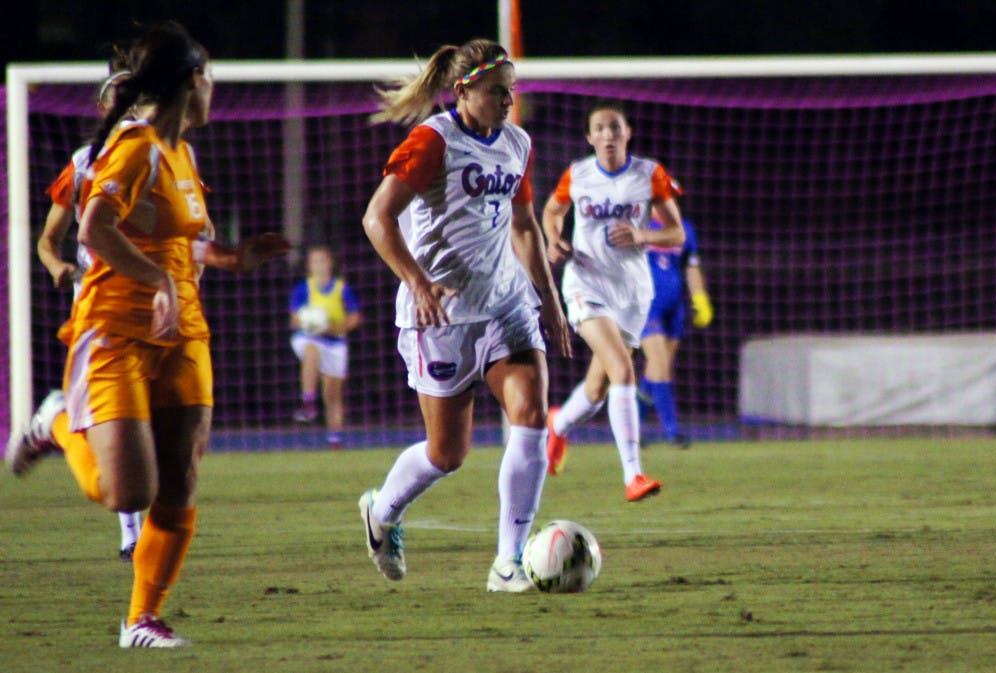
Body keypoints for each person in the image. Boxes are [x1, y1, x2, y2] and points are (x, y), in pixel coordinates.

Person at [5, 22, 290, 648]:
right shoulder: (135, 147)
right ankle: (53, 423)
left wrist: (235, 258)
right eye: (210, 77)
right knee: (125, 492)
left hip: (183, 330)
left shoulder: (183, 151)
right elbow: (93, 231)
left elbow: (188, 243)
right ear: (192, 80)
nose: (215, 89)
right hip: (115, 329)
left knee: (181, 475)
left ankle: (140, 619)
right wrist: (157, 279)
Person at [359, 38, 571, 593]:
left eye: (512, 92)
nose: (508, 101)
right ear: (464, 90)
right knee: (447, 454)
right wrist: (416, 281)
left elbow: (524, 226)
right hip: (443, 316)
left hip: (507, 305)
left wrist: (550, 301)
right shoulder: (433, 140)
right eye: (498, 92)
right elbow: (377, 219)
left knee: (530, 413)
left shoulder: (516, 143)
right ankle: (382, 511)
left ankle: (509, 562)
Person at [541, 99, 686, 502]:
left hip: (632, 292)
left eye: (614, 127)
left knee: (599, 384)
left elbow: (676, 234)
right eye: (599, 128)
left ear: (627, 133)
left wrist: (642, 236)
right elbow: (552, 211)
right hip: (586, 283)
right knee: (623, 369)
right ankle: (633, 475)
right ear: (589, 138)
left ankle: (558, 424)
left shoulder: (649, 174)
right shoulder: (578, 173)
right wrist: (554, 240)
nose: (607, 134)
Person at [35, 52, 145, 562]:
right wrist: (57, 266)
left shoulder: (160, 155)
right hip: (99, 303)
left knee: (155, 417)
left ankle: (136, 532)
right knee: (113, 420)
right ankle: (131, 533)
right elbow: (48, 239)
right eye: (118, 102)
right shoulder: (82, 164)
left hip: (153, 302)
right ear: (103, 109)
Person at [638, 217, 713, 448]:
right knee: (659, 364)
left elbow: (692, 266)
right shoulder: (638, 223)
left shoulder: (684, 228)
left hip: (675, 307)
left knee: (657, 370)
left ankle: (634, 426)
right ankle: (673, 432)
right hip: (647, 304)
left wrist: (700, 298)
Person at [289, 244, 362, 448]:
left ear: (330, 264)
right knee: (311, 352)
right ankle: (308, 402)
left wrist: (334, 327)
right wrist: (312, 325)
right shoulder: (303, 289)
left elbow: (355, 318)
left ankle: (335, 439)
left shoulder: (341, 289)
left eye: (322, 260)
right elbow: (294, 321)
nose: (319, 265)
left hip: (335, 343)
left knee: (332, 394)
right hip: (308, 337)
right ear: (309, 266)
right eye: (315, 261)